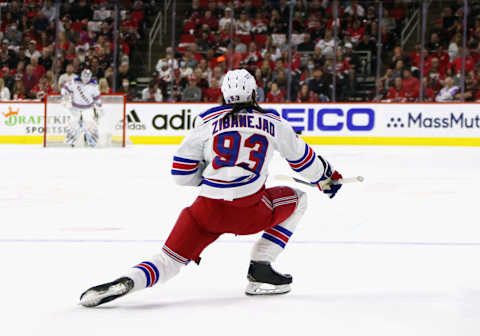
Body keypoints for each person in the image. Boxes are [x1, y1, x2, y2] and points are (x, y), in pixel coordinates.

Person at [79, 69, 344, 307]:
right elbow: (304, 161)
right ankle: (261, 267)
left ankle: (129, 280)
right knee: (299, 200)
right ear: (254, 93)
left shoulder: (205, 123)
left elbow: (181, 175)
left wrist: (209, 178)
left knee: (168, 261)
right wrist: (326, 177)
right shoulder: (273, 122)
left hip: (205, 211)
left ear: (223, 95)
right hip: (249, 212)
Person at [61, 69, 103, 147]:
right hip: (75, 107)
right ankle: (71, 141)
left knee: (90, 124)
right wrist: (65, 96)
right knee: (73, 123)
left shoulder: (94, 85)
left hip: (88, 108)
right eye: (84, 76)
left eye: (88, 76)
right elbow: (65, 87)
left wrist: (99, 106)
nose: (86, 78)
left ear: (90, 77)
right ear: (81, 75)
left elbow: (97, 96)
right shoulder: (74, 81)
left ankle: (93, 141)